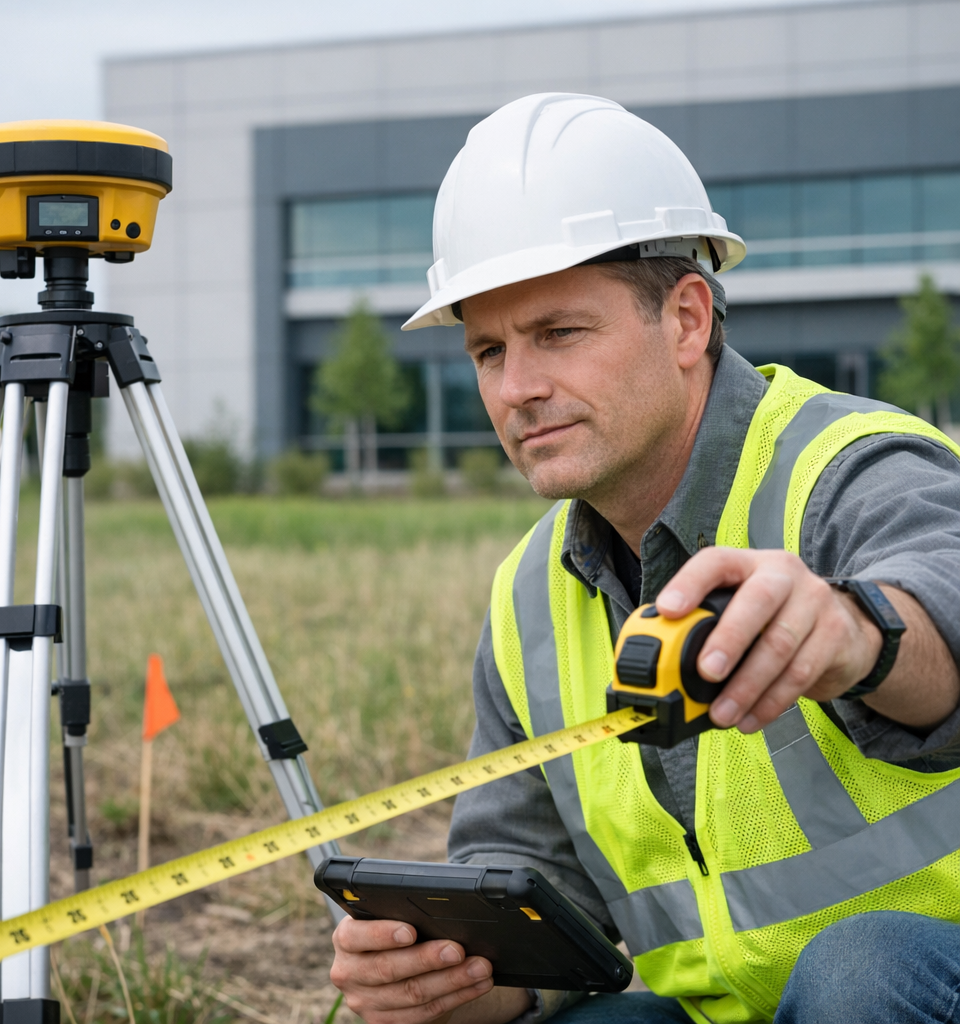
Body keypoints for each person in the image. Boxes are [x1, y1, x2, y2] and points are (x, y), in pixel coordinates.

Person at [327, 94, 960, 1024]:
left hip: (908, 985)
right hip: (724, 1008)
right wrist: (453, 983)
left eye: (559, 334)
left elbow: (944, 613)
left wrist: (854, 633)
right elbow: (537, 897)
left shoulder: (850, 466)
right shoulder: (529, 599)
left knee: (862, 971)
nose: (518, 389)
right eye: (488, 351)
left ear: (687, 321)